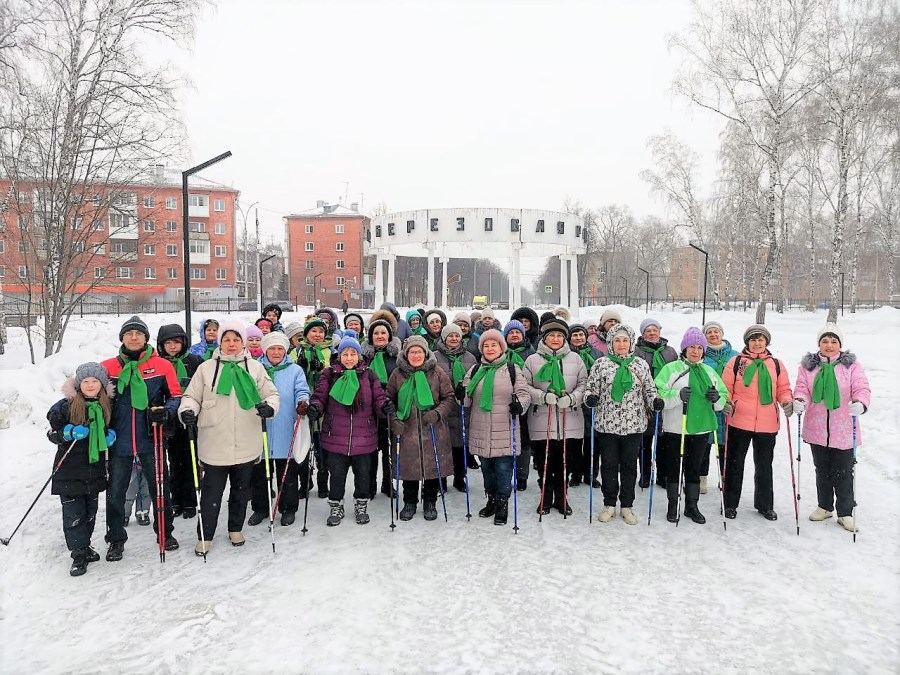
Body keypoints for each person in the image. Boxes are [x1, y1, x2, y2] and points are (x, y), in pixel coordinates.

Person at [178, 319, 280, 556]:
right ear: (220, 342)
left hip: (247, 439)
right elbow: (191, 396)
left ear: (243, 342)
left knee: (241, 490)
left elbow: (271, 393)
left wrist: (270, 407)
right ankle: (206, 535)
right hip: (214, 441)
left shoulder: (254, 367)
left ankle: (235, 527)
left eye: (236, 340)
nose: (231, 344)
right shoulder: (206, 369)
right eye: (227, 339)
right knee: (211, 493)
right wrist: (187, 411)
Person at [100, 316, 181, 562]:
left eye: (138, 333)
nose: (133, 337)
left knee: (160, 486)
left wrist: (166, 411)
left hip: (151, 437)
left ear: (146, 338)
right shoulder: (107, 367)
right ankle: (115, 539)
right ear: (122, 339)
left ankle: (165, 533)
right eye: (128, 334)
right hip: (119, 440)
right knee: (115, 492)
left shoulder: (162, 366)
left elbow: (176, 395)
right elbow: (92, 396)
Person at [308, 332, 392, 526]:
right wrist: (315, 407)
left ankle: (361, 504)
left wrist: (384, 407)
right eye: (345, 354)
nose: (349, 358)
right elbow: (320, 397)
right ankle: (336, 505)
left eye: (353, 354)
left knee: (363, 475)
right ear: (338, 356)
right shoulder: (329, 375)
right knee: (336, 475)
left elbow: (378, 398)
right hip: (335, 436)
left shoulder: (369, 375)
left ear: (359, 356)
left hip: (364, 436)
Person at [793, 324, 871, 533]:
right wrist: (800, 400)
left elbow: (861, 387)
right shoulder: (808, 367)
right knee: (822, 470)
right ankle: (824, 506)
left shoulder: (851, 366)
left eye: (833, 341)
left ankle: (845, 512)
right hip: (817, 427)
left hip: (843, 427)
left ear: (840, 344)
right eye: (825, 341)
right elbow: (802, 388)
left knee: (844, 472)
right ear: (819, 344)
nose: (829, 345)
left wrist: (860, 402)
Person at [583, 324, 660, 524]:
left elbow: (650, 391)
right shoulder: (601, 364)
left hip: (634, 425)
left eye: (625, 340)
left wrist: (656, 401)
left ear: (631, 343)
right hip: (606, 424)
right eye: (617, 340)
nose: (621, 344)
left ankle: (627, 505)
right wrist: (590, 398)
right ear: (610, 343)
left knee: (629, 466)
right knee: (608, 465)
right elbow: (590, 388)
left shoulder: (640, 365)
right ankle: (609, 504)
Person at [46, 362, 114, 576]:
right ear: (78, 384)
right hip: (69, 470)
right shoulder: (66, 405)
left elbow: (110, 427)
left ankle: (85, 546)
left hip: (93, 471)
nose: (90, 385)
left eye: (95, 381)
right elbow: (51, 434)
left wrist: (109, 435)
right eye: (86, 381)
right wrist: (67, 433)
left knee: (90, 513)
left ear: (102, 385)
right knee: (74, 515)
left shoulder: (105, 405)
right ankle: (78, 555)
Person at [655, 328, 728, 524]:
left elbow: (723, 396)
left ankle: (691, 505)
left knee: (694, 468)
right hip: (675, 428)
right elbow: (658, 393)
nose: (695, 351)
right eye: (691, 347)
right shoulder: (671, 369)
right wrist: (677, 396)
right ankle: (673, 504)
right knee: (674, 467)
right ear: (684, 349)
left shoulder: (709, 371)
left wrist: (717, 398)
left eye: (699, 347)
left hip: (701, 428)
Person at [722, 324, 794, 521]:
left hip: (767, 423)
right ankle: (729, 503)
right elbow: (725, 387)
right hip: (739, 420)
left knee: (764, 466)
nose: (757, 343)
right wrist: (726, 401)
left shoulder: (776, 364)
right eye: (753, 340)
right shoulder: (736, 362)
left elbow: (783, 389)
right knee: (735, 464)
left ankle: (764, 505)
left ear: (767, 342)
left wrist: (787, 401)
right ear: (747, 342)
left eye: (760, 340)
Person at [463, 329, 530, 525]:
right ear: (481, 349)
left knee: (503, 468)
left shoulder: (512, 369)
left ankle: (502, 503)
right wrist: (461, 393)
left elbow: (524, 394)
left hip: (505, 428)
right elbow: (465, 401)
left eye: (494, 345)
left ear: (501, 348)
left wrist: (520, 405)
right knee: (486, 468)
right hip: (481, 429)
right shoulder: (475, 371)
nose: (490, 348)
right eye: (486, 345)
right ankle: (491, 499)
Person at [523, 316, 588, 516]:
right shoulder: (532, 360)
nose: (556, 339)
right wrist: (542, 396)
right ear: (544, 338)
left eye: (560, 336)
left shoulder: (575, 359)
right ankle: (545, 496)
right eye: (552, 335)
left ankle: (562, 497)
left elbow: (584, 384)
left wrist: (572, 398)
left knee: (564, 463)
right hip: (542, 419)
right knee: (544, 462)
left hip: (570, 420)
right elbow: (524, 386)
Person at [386, 336, 455, 521]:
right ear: (406, 354)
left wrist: (438, 413)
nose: (416, 355)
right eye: (412, 352)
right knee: (410, 468)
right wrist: (393, 420)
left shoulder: (437, 372)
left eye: (419, 352)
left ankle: (430, 501)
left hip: (432, 429)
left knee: (432, 468)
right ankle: (410, 502)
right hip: (406, 430)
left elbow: (449, 397)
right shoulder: (397, 374)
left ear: (425, 353)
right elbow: (388, 400)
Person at [247, 332, 311, 528]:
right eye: (272, 348)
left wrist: (303, 402)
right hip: (259, 427)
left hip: (285, 426)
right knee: (259, 473)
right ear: (265, 350)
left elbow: (302, 389)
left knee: (287, 473)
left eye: (280, 349)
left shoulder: (295, 370)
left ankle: (288, 508)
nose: (276, 352)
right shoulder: (254, 368)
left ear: (285, 350)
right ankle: (260, 508)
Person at [155, 323, 205, 519]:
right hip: (170, 419)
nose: (173, 346)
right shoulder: (158, 364)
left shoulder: (194, 361)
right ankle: (176, 500)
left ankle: (191, 500)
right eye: (168, 343)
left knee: (192, 459)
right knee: (174, 462)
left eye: (176, 342)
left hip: (192, 417)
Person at [634, 318, 678, 488]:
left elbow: (675, 373)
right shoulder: (637, 351)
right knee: (644, 442)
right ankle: (645, 474)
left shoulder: (670, 351)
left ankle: (663, 475)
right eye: (648, 331)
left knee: (663, 442)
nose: (652, 333)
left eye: (655, 330)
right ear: (643, 334)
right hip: (644, 402)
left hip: (665, 400)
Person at [363, 310, 402, 499]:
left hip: (390, 406)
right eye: (376, 333)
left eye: (383, 333)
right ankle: (369, 484)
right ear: (371, 336)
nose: (379, 336)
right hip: (368, 409)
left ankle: (388, 483)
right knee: (370, 449)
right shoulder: (364, 357)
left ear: (389, 336)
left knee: (389, 448)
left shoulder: (396, 357)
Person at [434, 323, 478, 492]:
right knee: (443, 447)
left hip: (463, 408)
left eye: (457, 336)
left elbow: (474, 380)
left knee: (461, 446)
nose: (454, 339)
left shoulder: (470, 358)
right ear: (444, 338)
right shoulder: (435, 357)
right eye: (450, 336)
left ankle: (460, 478)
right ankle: (441, 480)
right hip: (444, 408)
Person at [701, 321, 738, 494]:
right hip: (707, 406)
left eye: (716, 331)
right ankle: (701, 478)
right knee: (704, 445)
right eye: (709, 332)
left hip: (729, 407)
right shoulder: (701, 355)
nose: (713, 335)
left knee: (726, 446)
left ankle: (725, 478)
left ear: (722, 334)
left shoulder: (735, 356)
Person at [296, 317, 332, 497]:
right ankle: (304, 479)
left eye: (320, 332)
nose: (317, 335)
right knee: (303, 443)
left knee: (321, 444)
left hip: (324, 404)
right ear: (306, 333)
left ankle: (323, 479)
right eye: (313, 331)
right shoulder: (297, 351)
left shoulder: (330, 351)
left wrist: (323, 368)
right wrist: (300, 367)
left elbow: (336, 371)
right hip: (303, 403)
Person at [568, 324, 602, 487]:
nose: (579, 338)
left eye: (581, 334)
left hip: (593, 403)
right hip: (573, 401)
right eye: (575, 335)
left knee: (592, 442)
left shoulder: (596, 354)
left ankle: (591, 474)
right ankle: (575, 473)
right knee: (574, 442)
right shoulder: (566, 355)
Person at [504, 320, 535, 490]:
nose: (514, 335)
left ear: (523, 335)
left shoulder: (531, 354)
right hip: (503, 404)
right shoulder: (500, 353)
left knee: (524, 441)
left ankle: (522, 476)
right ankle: (506, 474)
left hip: (525, 403)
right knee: (505, 440)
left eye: (518, 332)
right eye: (511, 333)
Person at [123, 458, 151, 526]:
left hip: (147, 460)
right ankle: (124, 514)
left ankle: (142, 512)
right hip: (131, 463)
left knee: (145, 490)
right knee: (130, 491)